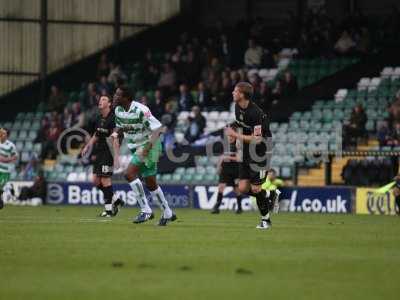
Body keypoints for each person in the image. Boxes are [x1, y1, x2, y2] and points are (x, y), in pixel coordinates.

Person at [113, 86, 177, 226]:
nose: (115, 97)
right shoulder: (118, 110)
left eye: (118, 95)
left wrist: (147, 148)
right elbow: (121, 128)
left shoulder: (141, 110)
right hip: (135, 147)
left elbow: (158, 129)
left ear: (126, 98)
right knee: (151, 183)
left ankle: (145, 210)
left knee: (129, 174)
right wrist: (117, 136)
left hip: (150, 145)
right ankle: (167, 212)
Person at [225, 82, 277, 229]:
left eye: (235, 91)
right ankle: (269, 195)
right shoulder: (237, 107)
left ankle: (266, 220)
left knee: (255, 189)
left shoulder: (256, 113)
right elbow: (239, 123)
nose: (233, 93)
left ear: (242, 95)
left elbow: (257, 138)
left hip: (261, 152)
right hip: (247, 150)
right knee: (242, 188)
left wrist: (235, 135)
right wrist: (232, 129)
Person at [81, 95, 124, 217]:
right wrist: (87, 146)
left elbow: (115, 139)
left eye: (104, 100)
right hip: (99, 151)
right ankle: (117, 200)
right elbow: (96, 134)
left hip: (108, 152)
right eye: (100, 99)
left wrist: (116, 157)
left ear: (109, 104)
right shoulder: (99, 118)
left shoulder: (113, 119)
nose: (100, 101)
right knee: (95, 181)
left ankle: (109, 210)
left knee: (105, 179)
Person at [211, 135, 243, 214]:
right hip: (225, 170)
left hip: (234, 170)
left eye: (231, 137)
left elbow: (239, 158)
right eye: (229, 137)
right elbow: (221, 157)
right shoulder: (224, 146)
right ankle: (216, 207)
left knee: (236, 189)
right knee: (221, 187)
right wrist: (218, 167)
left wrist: (229, 157)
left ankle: (239, 207)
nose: (230, 138)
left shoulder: (238, 146)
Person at [0, 128, 18, 209]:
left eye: (3, 133)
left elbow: (15, 156)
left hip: (5, 171)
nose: (1, 134)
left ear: (7, 135)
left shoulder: (10, 145)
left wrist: (6, 159)